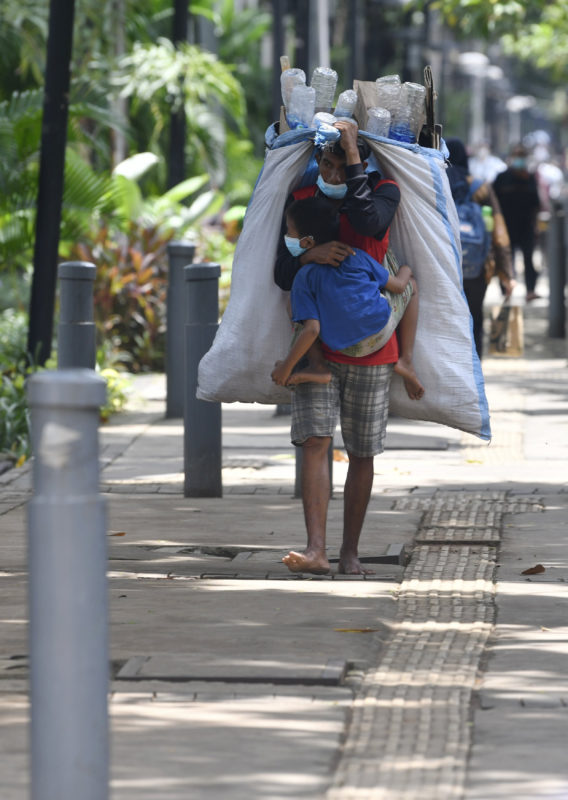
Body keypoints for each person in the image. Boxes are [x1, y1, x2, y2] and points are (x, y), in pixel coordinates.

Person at [273, 121, 410, 576]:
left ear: (362, 162)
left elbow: (371, 222)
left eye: (340, 166)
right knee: (314, 441)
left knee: (362, 452)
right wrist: (307, 255)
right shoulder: (301, 203)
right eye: (325, 165)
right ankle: (317, 550)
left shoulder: (381, 192)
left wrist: (352, 154)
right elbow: (281, 271)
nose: (330, 176)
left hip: (373, 351)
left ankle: (350, 553)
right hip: (319, 346)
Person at [271, 196, 423, 402]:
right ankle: (406, 360)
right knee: (411, 285)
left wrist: (285, 368)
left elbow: (312, 329)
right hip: (379, 333)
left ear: (307, 242)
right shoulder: (356, 255)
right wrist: (406, 270)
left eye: (289, 231)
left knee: (295, 305)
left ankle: (317, 366)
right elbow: (397, 286)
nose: (286, 235)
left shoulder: (303, 277)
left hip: (343, 347)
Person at [446, 138, 515, 358]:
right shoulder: (479, 187)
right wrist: (506, 273)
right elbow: (499, 231)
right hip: (477, 267)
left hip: (444, 263)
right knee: (474, 317)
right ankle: (475, 368)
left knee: (446, 319)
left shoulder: (436, 183)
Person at [493, 143, 541, 302]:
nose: (519, 159)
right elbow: (493, 202)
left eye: (522, 156)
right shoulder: (502, 178)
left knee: (528, 258)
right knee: (506, 259)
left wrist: (535, 225)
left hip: (526, 226)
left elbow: (536, 203)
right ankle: (506, 290)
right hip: (506, 226)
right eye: (517, 155)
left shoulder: (530, 178)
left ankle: (530, 290)